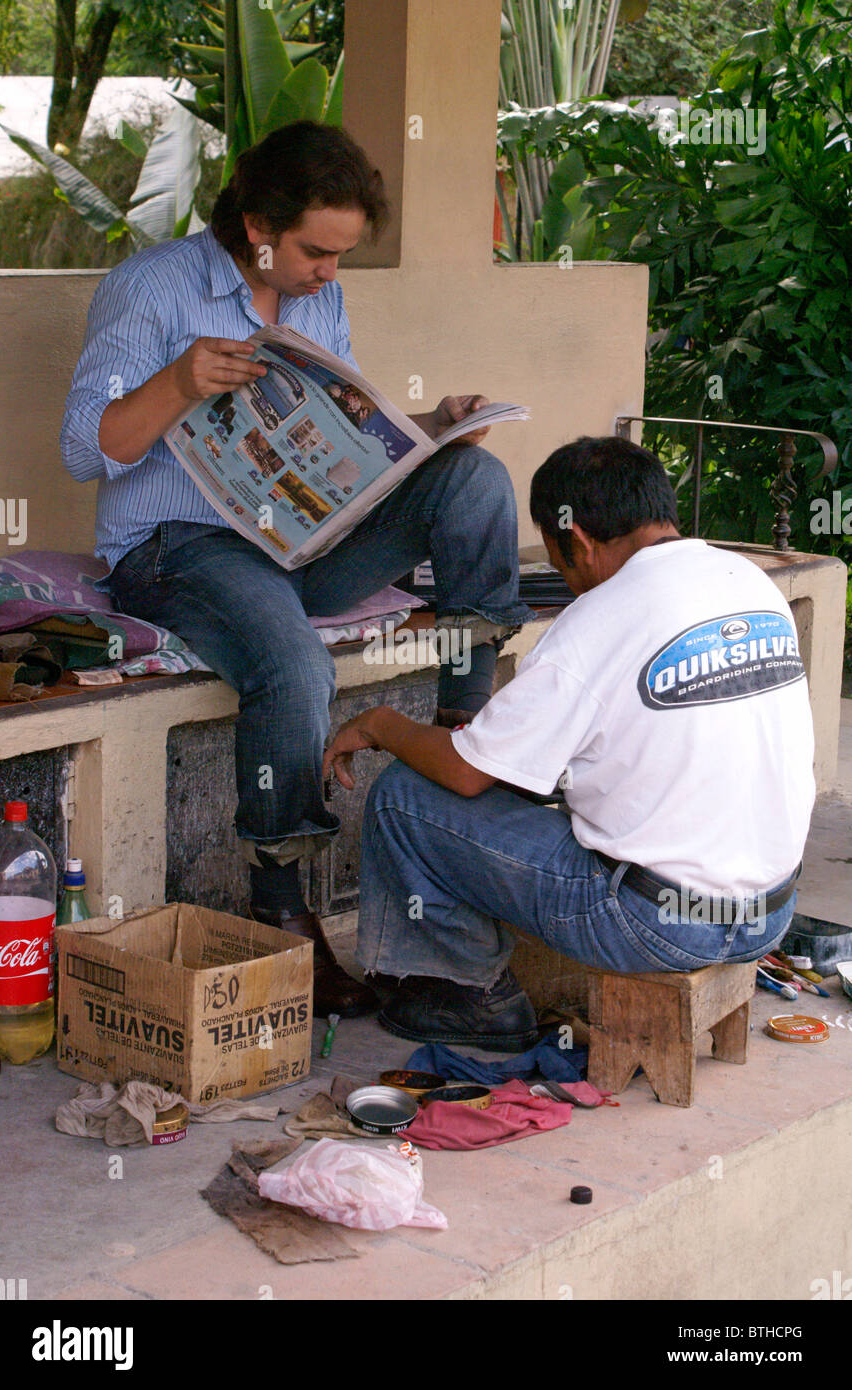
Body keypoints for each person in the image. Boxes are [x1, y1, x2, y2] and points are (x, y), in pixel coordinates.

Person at [60, 120, 532, 1018]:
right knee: (293, 666)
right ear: (256, 221)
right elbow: (89, 449)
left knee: (472, 478)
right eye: (317, 252)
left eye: (342, 255)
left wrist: (428, 431)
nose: (329, 273)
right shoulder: (151, 288)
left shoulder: (315, 299)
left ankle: (468, 737)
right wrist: (179, 381)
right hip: (179, 546)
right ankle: (283, 913)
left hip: (301, 543)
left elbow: (337, 444)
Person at [323, 436, 815, 1051]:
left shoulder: (597, 620)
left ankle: (470, 998)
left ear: (577, 541)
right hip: (767, 914)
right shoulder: (748, 582)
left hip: (658, 926)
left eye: (561, 565)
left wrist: (379, 725)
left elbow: (469, 775)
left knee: (403, 797)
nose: (568, 582)